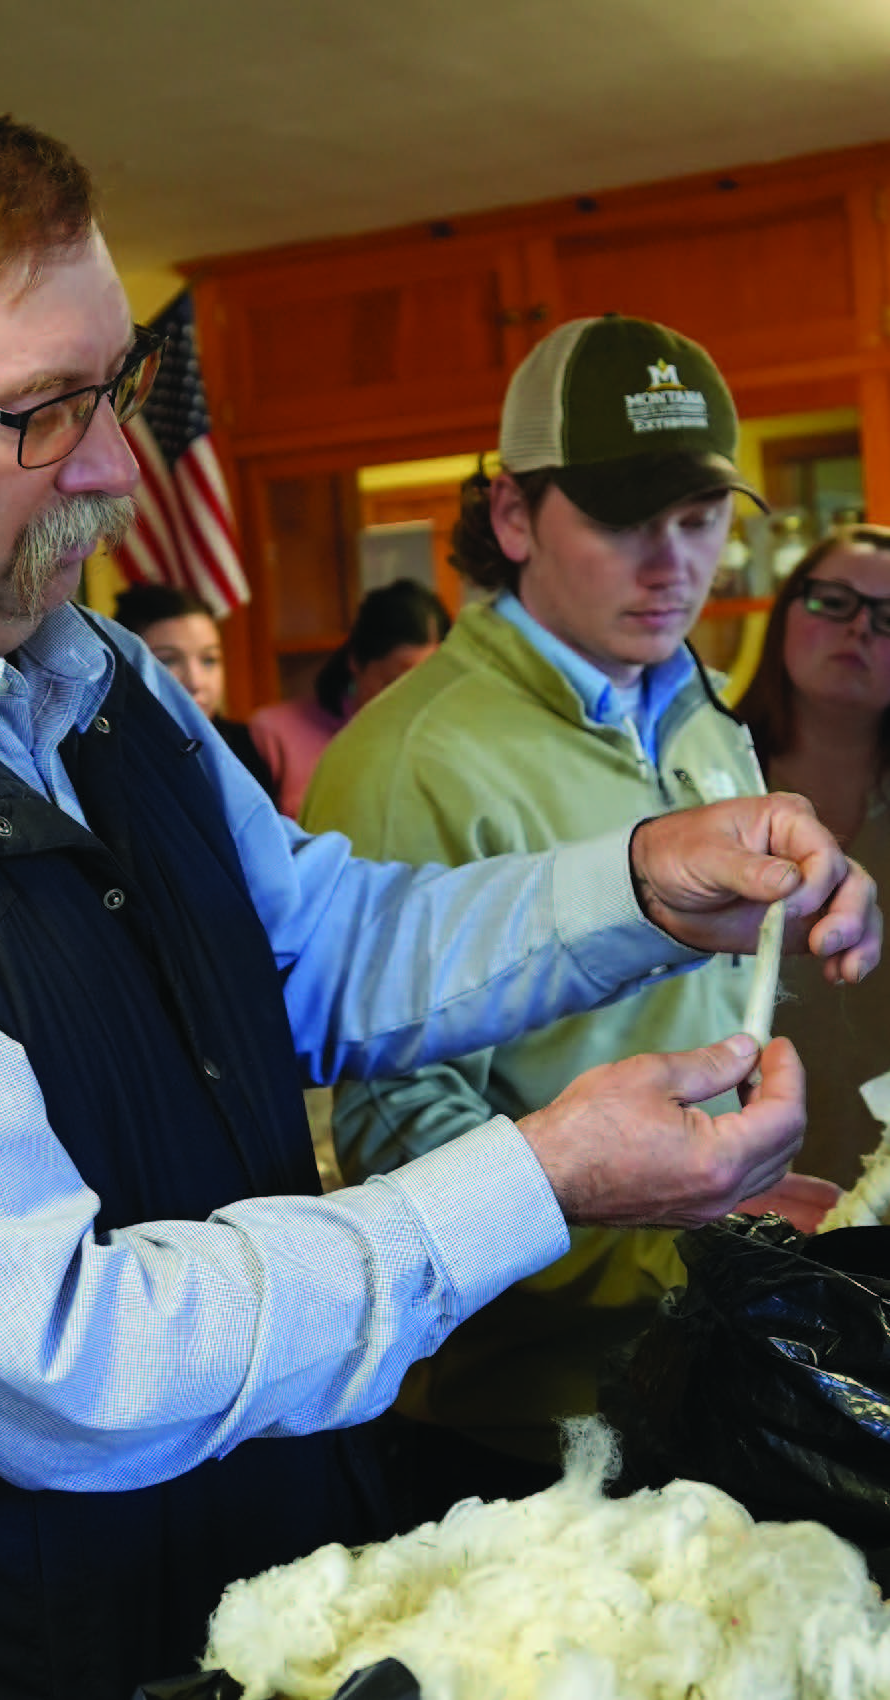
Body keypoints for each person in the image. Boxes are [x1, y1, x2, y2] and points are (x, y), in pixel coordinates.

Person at [0, 88, 875, 1700]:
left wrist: (636, 887)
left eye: (118, 382)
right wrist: (534, 1178)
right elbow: (71, 1362)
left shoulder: (101, 671)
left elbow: (316, 948)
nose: (120, 470)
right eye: (40, 413)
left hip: (262, 1571)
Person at [300, 313, 826, 1508]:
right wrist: (676, 1234)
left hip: (704, 1376)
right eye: (624, 520)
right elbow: (386, 1124)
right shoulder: (407, 759)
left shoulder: (696, 710)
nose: (673, 564)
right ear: (512, 517)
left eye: (698, 521)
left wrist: (729, 1227)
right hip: (513, 1434)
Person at [736, 523, 890, 1186]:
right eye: (834, 600)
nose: (860, 629)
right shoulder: (709, 788)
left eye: (889, 617)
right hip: (728, 1176)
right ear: (784, 613)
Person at [250, 575, 450, 816]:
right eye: (397, 684)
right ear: (356, 660)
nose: (415, 701)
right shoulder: (273, 734)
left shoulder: (450, 744)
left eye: (429, 685)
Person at [112, 580, 278, 798]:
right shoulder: (111, 755)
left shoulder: (247, 744)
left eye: (209, 660)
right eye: (167, 661)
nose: (195, 682)